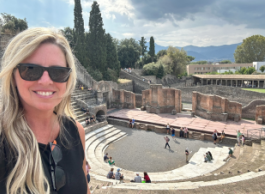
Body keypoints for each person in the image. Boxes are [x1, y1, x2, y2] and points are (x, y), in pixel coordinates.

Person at [0, 28, 90, 194]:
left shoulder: (76, 132)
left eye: (58, 72)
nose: (46, 81)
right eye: (31, 69)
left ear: (68, 79)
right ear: (13, 76)